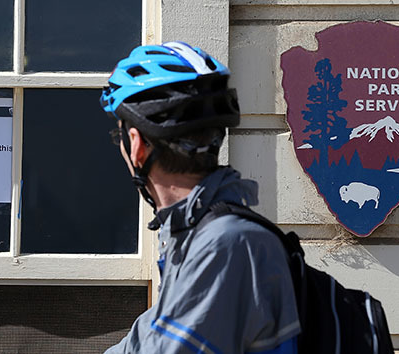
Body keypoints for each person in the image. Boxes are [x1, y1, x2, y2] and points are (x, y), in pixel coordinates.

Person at [100, 41, 300, 354]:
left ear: (136, 146)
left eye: (119, 136)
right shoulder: (195, 234)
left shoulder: (225, 245)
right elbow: (148, 338)